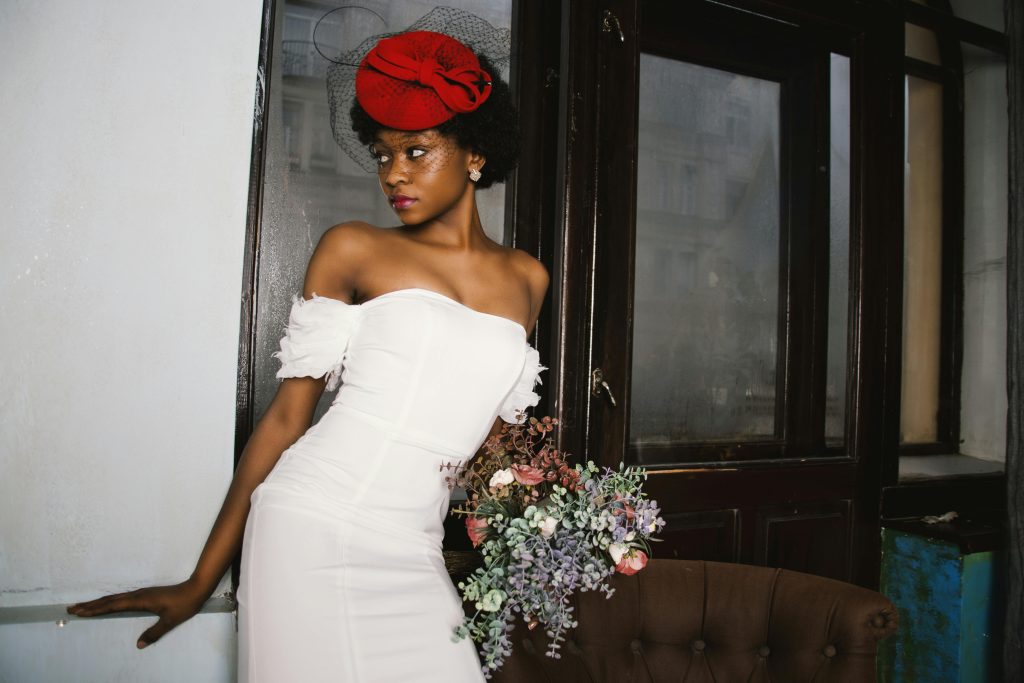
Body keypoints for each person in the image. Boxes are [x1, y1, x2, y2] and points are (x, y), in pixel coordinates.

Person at [67, 13, 547, 682]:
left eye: (415, 151)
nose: (393, 174)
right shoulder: (353, 248)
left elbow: (488, 448)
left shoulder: (528, 279)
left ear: (476, 153)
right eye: (382, 154)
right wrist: (203, 579)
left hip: (416, 552)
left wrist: (552, 510)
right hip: (312, 527)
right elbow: (287, 418)